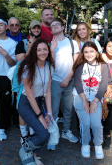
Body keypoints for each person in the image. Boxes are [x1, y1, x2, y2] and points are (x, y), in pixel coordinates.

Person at [17, 39, 54, 165]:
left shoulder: (49, 67)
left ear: (48, 51)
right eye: (39, 50)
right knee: (43, 134)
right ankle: (25, 150)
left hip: (39, 102)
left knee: (45, 132)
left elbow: (48, 92)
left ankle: (33, 154)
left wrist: (49, 113)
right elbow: (30, 96)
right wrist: (40, 116)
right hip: (26, 104)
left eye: (45, 49)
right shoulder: (28, 68)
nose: (42, 52)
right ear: (34, 52)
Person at [47, 18, 80, 151]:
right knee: (54, 110)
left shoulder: (72, 43)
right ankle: (53, 135)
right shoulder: (50, 44)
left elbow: (75, 63)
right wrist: (52, 50)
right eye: (52, 26)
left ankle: (66, 131)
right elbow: (50, 64)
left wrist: (68, 78)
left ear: (62, 27)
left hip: (69, 80)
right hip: (55, 81)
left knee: (68, 108)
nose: (54, 27)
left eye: (57, 25)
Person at [72, 42, 108, 159]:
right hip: (80, 97)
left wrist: (94, 101)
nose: (89, 54)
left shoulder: (103, 66)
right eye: (86, 52)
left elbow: (103, 86)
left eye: (91, 51)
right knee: (86, 123)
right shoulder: (80, 66)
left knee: (96, 124)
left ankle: (98, 145)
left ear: (97, 52)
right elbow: (78, 84)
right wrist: (84, 101)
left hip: (96, 98)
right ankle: (85, 144)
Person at [15, 20, 42, 144]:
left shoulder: (42, 44)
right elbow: (20, 60)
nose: (36, 30)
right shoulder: (22, 43)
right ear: (30, 30)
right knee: (23, 107)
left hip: (38, 80)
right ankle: (23, 133)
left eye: (38, 28)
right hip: (23, 81)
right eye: (34, 28)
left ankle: (32, 131)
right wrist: (30, 48)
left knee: (35, 105)